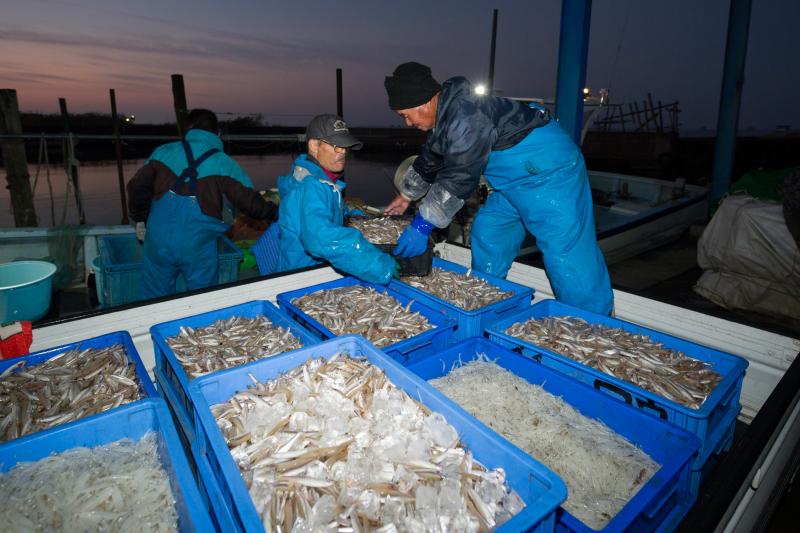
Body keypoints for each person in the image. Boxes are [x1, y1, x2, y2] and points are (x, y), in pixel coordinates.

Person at [383, 62, 613, 315]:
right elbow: (430, 159)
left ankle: (593, 321)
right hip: (512, 183)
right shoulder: (446, 119)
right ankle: (486, 297)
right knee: (489, 230)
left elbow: (458, 178)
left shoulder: (467, 116)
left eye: (406, 115)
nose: (406, 123)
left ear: (424, 103)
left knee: (565, 253)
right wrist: (405, 196)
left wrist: (422, 227)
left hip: (551, 175)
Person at [127, 108, 277, 299]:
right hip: (198, 245)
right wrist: (276, 213)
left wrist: (140, 218)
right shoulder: (225, 163)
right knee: (202, 299)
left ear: (188, 128)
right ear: (218, 133)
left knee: (154, 297)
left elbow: (136, 188)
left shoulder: (162, 152)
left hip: (158, 239)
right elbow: (251, 203)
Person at [276, 114, 399, 283]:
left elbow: (320, 212)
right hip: (302, 278)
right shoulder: (309, 186)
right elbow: (322, 237)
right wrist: (379, 265)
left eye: (345, 146)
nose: (343, 152)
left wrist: (352, 214)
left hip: (309, 270)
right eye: (336, 146)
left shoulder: (320, 179)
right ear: (314, 146)